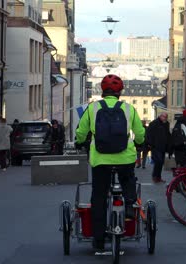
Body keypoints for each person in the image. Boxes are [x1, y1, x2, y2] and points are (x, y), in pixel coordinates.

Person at [75, 74, 145, 251]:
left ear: (102, 91)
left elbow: (82, 131)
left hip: (100, 159)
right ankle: (129, 206)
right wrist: (139, 143)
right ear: (120, 92)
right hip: (125, 158)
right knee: (128, 181)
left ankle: (98, 239)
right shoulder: (129, 109)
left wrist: (79, 141)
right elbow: (140, 131)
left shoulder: (92, 108)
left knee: (98, 196)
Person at [146, 112, 171, 183]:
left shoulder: (166, 124)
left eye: (166, 117)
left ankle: (158, 177)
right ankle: (155, 176)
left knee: (161, 162)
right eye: (164, 117)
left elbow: (167, 135)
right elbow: (148, 134)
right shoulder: (154, 123)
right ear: (160, 116)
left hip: (163, 146)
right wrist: (150, 144)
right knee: (158, 161)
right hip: (156, 146)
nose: (165, 118)